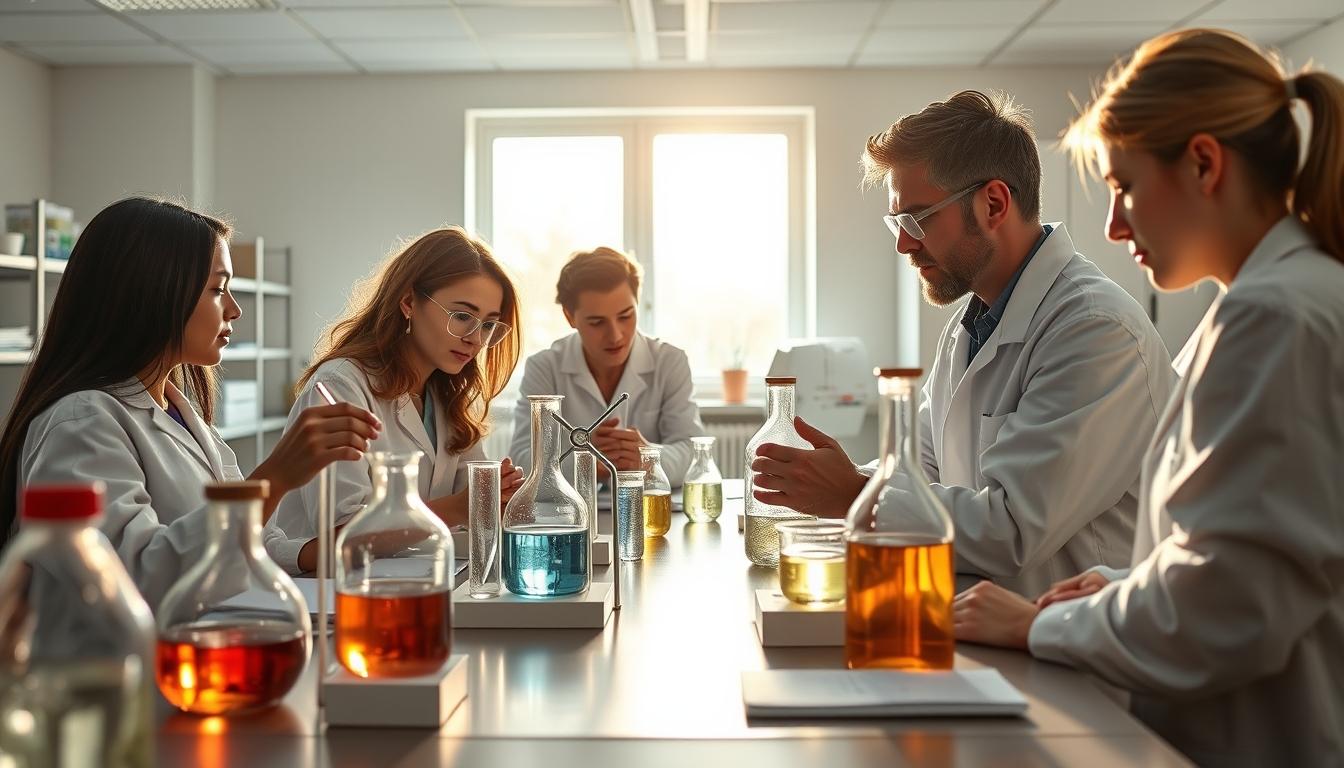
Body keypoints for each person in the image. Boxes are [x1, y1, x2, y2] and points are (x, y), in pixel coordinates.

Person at [952, 29, 1344, 766]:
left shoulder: (1276, 317)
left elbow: (1232, 610)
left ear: (1203, 163)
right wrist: (1117, 586)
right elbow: (1267, 563)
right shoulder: (1264, 306)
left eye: (1125, 186)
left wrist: (1032, 627)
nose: (1113, 225)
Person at [751, 90, 1176, 598]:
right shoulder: (971, 327)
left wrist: (853, 495)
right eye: (896, 222)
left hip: (1072, 648)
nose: (903, 243)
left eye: (916, 219)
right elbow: (925, 472)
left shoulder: (1094, 329)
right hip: (985, 624)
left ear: (993, 203)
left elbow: (1012, 528)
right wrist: (835, 479)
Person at [0, 197, 380, 608]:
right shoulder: (81, 422)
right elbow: (133, 579)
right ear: (154, 292)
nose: (234, 309)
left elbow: (251, 543)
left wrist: (328, 549)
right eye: (218, 289)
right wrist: (275, 477)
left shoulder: (182, 414)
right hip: (120, 667)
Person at [264, 227, 524, 575]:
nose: (475, 339)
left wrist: (499, 494)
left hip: (410, 583)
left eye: (489, 325)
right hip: (327, 595)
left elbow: (472, 505)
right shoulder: (339, 386)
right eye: (462, 316)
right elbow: (348, 532)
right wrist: (462, 507)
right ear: (408, 302)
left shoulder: (446, 393)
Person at [510, 247, 703, 481]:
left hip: (647, 509)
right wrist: (586, 462)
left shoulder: (670, 361)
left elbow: (694, 453)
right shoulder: (544, 367)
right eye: (597, 322)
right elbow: (521, 458)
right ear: (570, 317)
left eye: (625, 316)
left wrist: (648, 458)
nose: (615, 336)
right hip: (571, 513)